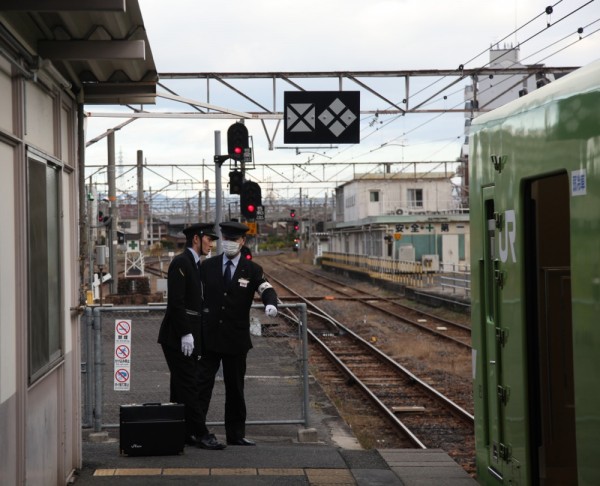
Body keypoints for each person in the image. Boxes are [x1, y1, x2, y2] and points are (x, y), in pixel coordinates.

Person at [198, 221, 279, 446]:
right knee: (202, 385)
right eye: (226, 239)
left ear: (243, 242)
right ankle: (197, 431)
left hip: (236, 338)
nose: (230, 243)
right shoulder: (208, 266)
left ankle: (236, 434)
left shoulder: (251, 269)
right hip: (211, 336)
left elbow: (266, 289)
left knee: (235, 389)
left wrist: (271, 304)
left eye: (234, 240)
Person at [157, 222, 225, 450]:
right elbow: (176, 303)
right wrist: (186, 333)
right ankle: (201, 432)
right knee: (189, 385)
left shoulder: (194, 264)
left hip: (187, 336)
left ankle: (183, 432)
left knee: (179, 386)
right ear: (196, 239)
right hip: (177, 336)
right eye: (209, 239)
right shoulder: (181, 263)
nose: (211, 244)